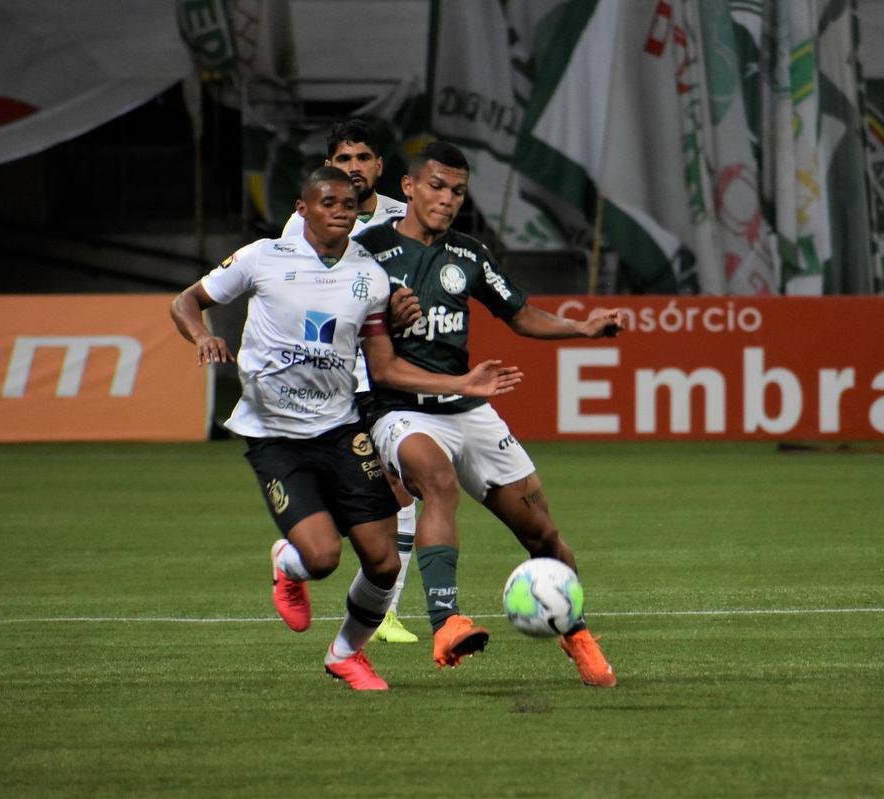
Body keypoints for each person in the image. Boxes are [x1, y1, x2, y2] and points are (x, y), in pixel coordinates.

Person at [169, 165, 521, 691]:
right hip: (274, 434)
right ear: (302, 207)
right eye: (328, 202)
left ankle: (345, 655)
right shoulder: (263, 257)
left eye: (349, 205)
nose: (340, 211)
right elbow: (186, 301)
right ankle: (289, 564)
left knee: (383, 561)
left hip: (340, 427)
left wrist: (459, 381)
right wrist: (200, 336)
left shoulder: (371, 276)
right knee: (324, 557)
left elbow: (383, 368)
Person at [353, 141, 623, 687]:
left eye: (457, 191)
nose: (447, 199)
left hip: (467, 408)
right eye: (436, 186)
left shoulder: (468, 254)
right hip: (399, 411)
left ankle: (579, 635)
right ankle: (445, 621)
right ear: (408, 187)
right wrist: (379, 314)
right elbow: (358, 342)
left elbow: (519, 314)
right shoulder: (367, 251)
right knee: (437, 480)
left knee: (543, 535)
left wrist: (583, 328)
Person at [283, 118, 421, 645]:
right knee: (360, 500)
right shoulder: (305, 224)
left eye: (363, 158)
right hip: (331, 376)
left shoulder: (401, 219)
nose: (354, 168)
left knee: (404, 491)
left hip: (385, 373)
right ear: (329, 167)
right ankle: (295, 560)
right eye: (344, 160)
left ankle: (382, 610)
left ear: (380, 166)